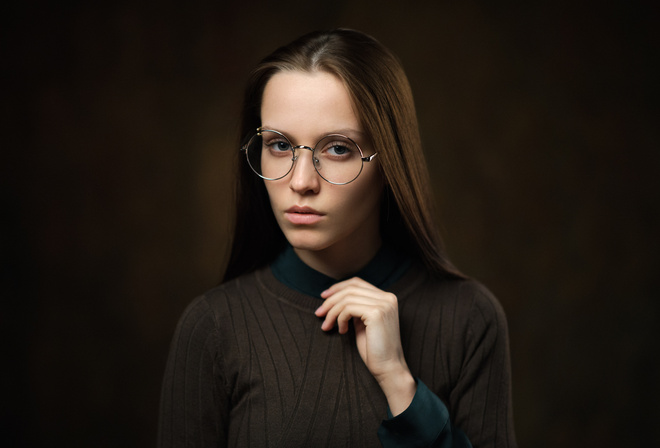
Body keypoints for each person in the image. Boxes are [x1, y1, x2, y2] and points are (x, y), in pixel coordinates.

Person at [158, 29, 516, 448]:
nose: (301, 182)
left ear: (390, 162)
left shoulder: (470, 319)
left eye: (338, 149)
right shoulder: (213, 328)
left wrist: (400, 385)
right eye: (278, 144)